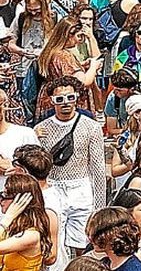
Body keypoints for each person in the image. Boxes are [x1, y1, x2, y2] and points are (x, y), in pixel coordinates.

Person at [34, 77, 105, 255]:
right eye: (59, 99)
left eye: (70, 97)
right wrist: (32, 136)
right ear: (51, 101)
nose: (65, 103)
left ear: (77, 97)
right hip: (53, 187)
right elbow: (36, 164)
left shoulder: (91, 127)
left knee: (82, 241)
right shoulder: (42, 128)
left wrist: (99, 206)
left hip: (81, 187)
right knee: (54, 240)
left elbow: (98, 168)